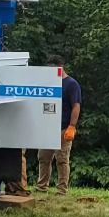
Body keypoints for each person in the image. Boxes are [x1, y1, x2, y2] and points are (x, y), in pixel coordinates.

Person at [36, 61, 82, 194]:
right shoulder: (50, 83)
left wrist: (72, 126)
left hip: (63, 128)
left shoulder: (71, 84)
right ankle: (42, 186)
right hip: (48, 128)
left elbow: (76, 106)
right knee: (43, 158)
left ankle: (62, 189)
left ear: (60, 68)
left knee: (62, 160)